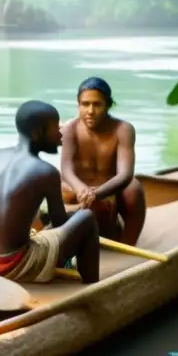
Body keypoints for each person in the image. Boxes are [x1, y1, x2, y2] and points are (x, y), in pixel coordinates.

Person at [0, 101, 101, 284]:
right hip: (14, 265)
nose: (61, 133)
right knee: (87, 218)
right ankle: (92, 287)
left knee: (45, 212)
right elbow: (60, 222)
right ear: (37, 133)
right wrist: (81, 209)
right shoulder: (46, 172)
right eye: (56, 128)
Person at [60, 77, 146, 245]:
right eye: (85, 104)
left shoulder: (123, 130)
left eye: (97, 104)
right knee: (49, 178)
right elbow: (66, 169)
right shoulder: (71, 128)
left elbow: (125, 174)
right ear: (78, 105)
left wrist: (96, 194)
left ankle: (129, 243)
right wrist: (81, 190)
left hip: (108, 191)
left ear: (108, 105)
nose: (90, 111)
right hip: (77, 191)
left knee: (133, 188)